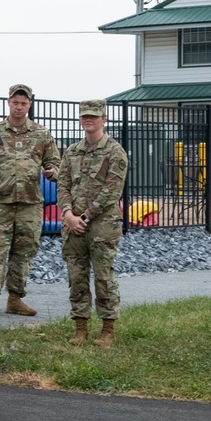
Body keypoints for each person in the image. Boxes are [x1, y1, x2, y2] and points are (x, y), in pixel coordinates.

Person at [0, 84, 60, 319]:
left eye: (24, 103)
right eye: (15, 102)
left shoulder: (41, 134)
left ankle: (15, 298)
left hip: (31, 203)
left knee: (25, 250)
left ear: (29, 105)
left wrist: (52, 171)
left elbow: (56, 162)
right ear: (8, 102)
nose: (19, 107)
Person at [56, 100, 129, 348]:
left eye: (94, 116)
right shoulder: (72, 152)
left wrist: (84, 217)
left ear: (104, 119)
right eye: (85, 116)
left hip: (102, 226)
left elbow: (112, 191)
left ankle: (107, 328)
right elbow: (62, 184)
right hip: (73, 224)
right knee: (76, 277)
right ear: (80, 119)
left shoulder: (114, 151)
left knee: (103, 277)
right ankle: (80, 327)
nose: (89, 120)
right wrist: (68, 214)